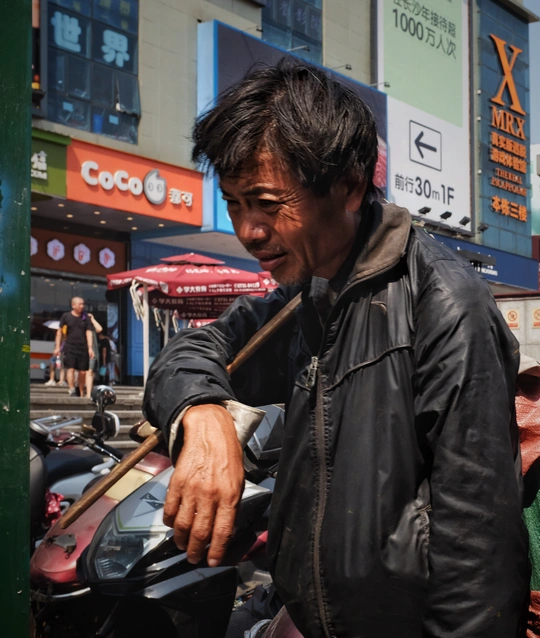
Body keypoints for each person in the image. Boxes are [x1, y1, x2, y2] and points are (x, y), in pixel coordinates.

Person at [143, 60, 530, 637]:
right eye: (234, 203)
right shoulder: (301, 297)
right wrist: (200, 414)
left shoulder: (444, 306)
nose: (248, 230)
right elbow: (195, 348)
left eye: (267, 203)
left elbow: (480, 559)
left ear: (349, 185)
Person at [54, 297, 95, 397]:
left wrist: (90, 348)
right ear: (73, 305)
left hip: (83, 347)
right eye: (80, 304)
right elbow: (59, 332)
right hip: (70, 346)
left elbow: (89, 332)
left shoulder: (86, 317)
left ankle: (80, 390)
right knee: (70, 368)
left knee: (83, 372)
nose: (82, 306)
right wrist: (57, 347)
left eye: (83, 304)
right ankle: (72, 389)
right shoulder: (66, 316)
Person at [85, 312, 103, 399]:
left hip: (93, 353)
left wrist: (92, 319)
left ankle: (88, 393)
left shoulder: (92, 328)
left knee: (90, 372)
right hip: (83, 352)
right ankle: (83, 392)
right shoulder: (82, 327)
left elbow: (100, 329)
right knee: (85, 372)